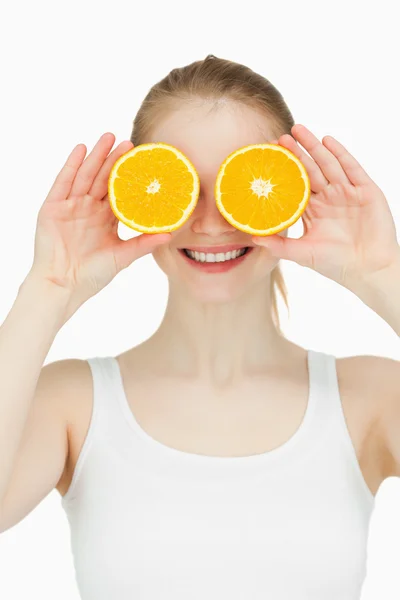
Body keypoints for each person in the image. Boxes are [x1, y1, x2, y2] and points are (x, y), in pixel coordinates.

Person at [0, 54, 399, 599]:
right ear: (135, 195)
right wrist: (45, 291)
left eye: (244, 184)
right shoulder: (73, 402)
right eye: (180, 185)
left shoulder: (369, 397)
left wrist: (384, 277)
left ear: (292, 195)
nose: (210, 224)